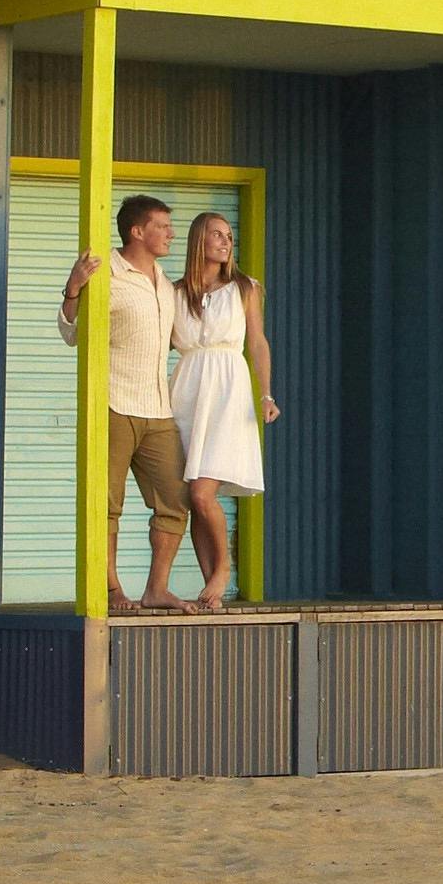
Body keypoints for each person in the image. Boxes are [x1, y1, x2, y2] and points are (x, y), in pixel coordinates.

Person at [57, 192, 192, 613]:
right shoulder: (106, 274)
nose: (171, 234)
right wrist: (73, 288)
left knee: (175, 500)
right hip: (115, 404)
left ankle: (157, 589)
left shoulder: (166, 285)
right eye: (162, 226)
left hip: (158, 409)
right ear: (137, 231)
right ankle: (111, 588)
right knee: (106, 503)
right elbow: (72, 334)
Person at [166, 207, 277, 609]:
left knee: (202, 491)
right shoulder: (175, 292)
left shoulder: (244, 287)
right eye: (217, 234)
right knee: (190, 494)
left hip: (228, 388)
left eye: (229, 235)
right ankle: (210, 586)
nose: (226, 241)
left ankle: (224, 569)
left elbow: (257, 342)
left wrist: (266, 394)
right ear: (199, 240)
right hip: (187, 390)